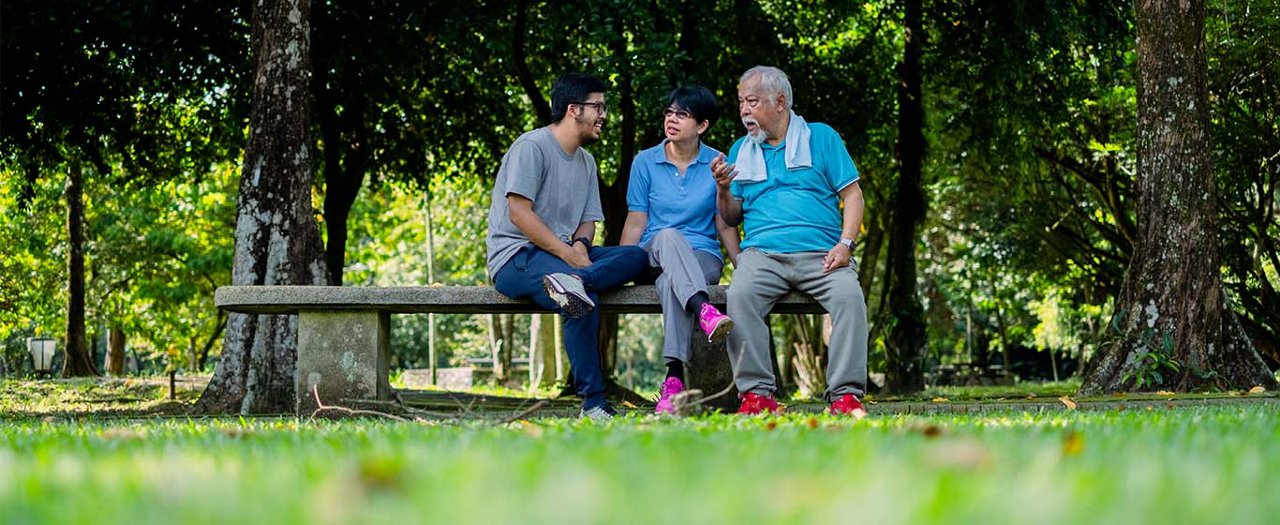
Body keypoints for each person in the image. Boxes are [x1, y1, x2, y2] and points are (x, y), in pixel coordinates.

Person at [486, 73, 650, 420]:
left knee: (637, 256)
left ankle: (574, 282)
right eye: (598, 107)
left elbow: (588, 221)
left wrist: (580, 247)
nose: (604, 115)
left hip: (565, 256)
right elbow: (518, 213)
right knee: (578, 300)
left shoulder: (587, 162)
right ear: (574, 109)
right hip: (518, 257)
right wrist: (568, 256)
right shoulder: (531, 147)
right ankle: (593, 403)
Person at [711, 66, 869, 418]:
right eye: (741, 102)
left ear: (780, 102)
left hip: (822, 254)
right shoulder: (740, 149)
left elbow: (853, 196)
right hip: (762, 255)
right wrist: (723, 188)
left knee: (849, 297)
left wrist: (845, 244)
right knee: (740, 295)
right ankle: (756, 396)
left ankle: (845, 396)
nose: (744, 110)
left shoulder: (822, 138)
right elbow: (732, 216)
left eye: (752, 101)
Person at [619, 85, 740, 415]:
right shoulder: (645, 162)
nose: (671, 120)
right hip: (653, 253)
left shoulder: (718, 164)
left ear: (702, 126)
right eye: (669, 113)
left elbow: (725, 223)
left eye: (682, 114)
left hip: (701, 258)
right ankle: (704, 310)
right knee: (669, 236)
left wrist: (742, 268)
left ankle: (673, 379)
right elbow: (635, 221)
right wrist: (621, 266)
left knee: (671, 283)